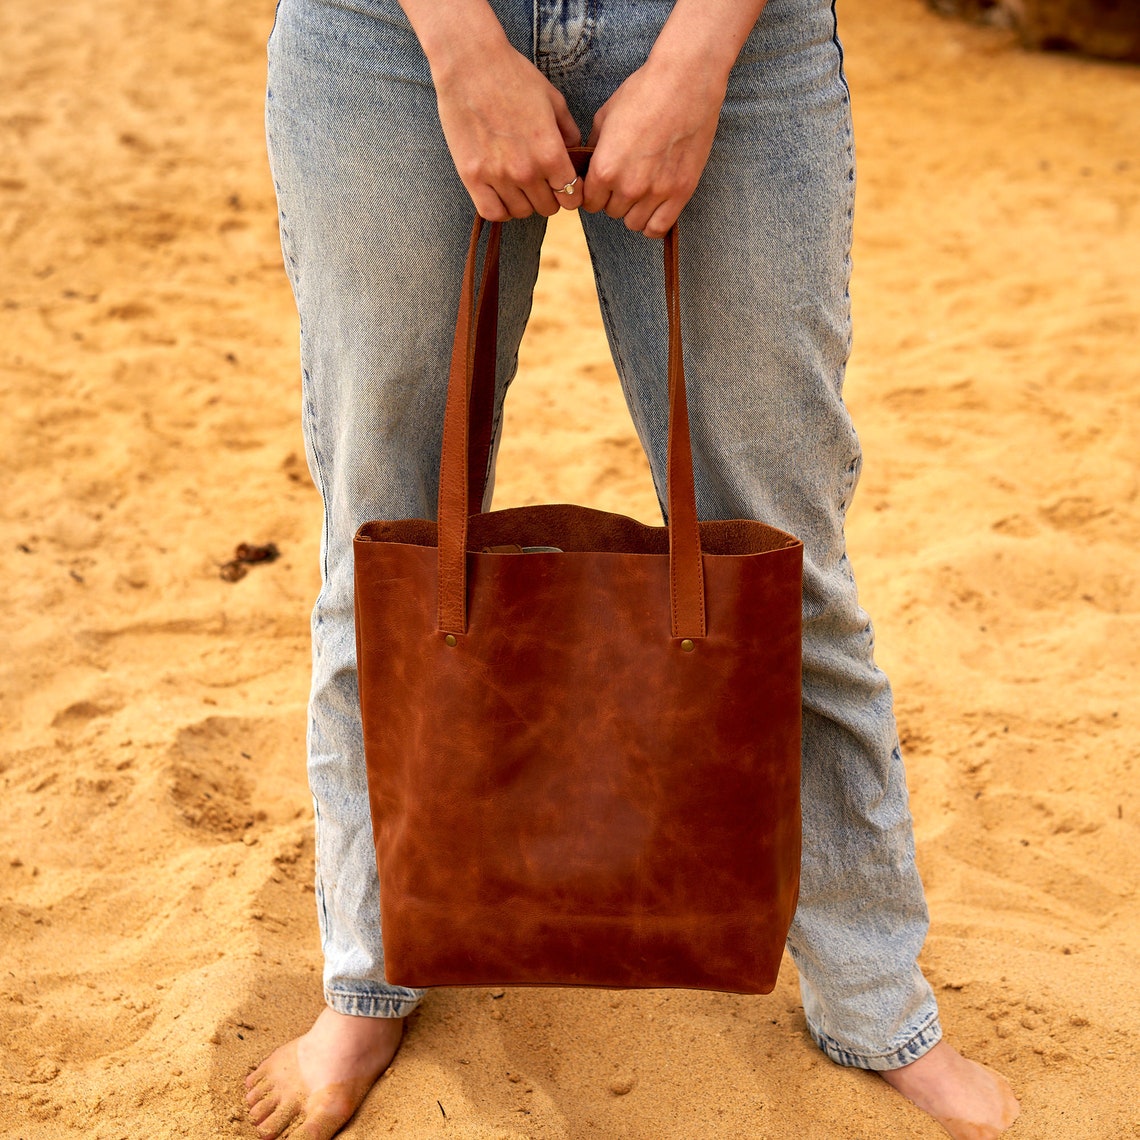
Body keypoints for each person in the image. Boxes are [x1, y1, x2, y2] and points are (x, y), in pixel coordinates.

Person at [245, 1, 1021, 1137]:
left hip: (725, 29)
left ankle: (876, 1003)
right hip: (392, 32)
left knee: (780, 561)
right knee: (385, 548)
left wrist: (697, 60)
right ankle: (366, 983)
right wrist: (462, 48)